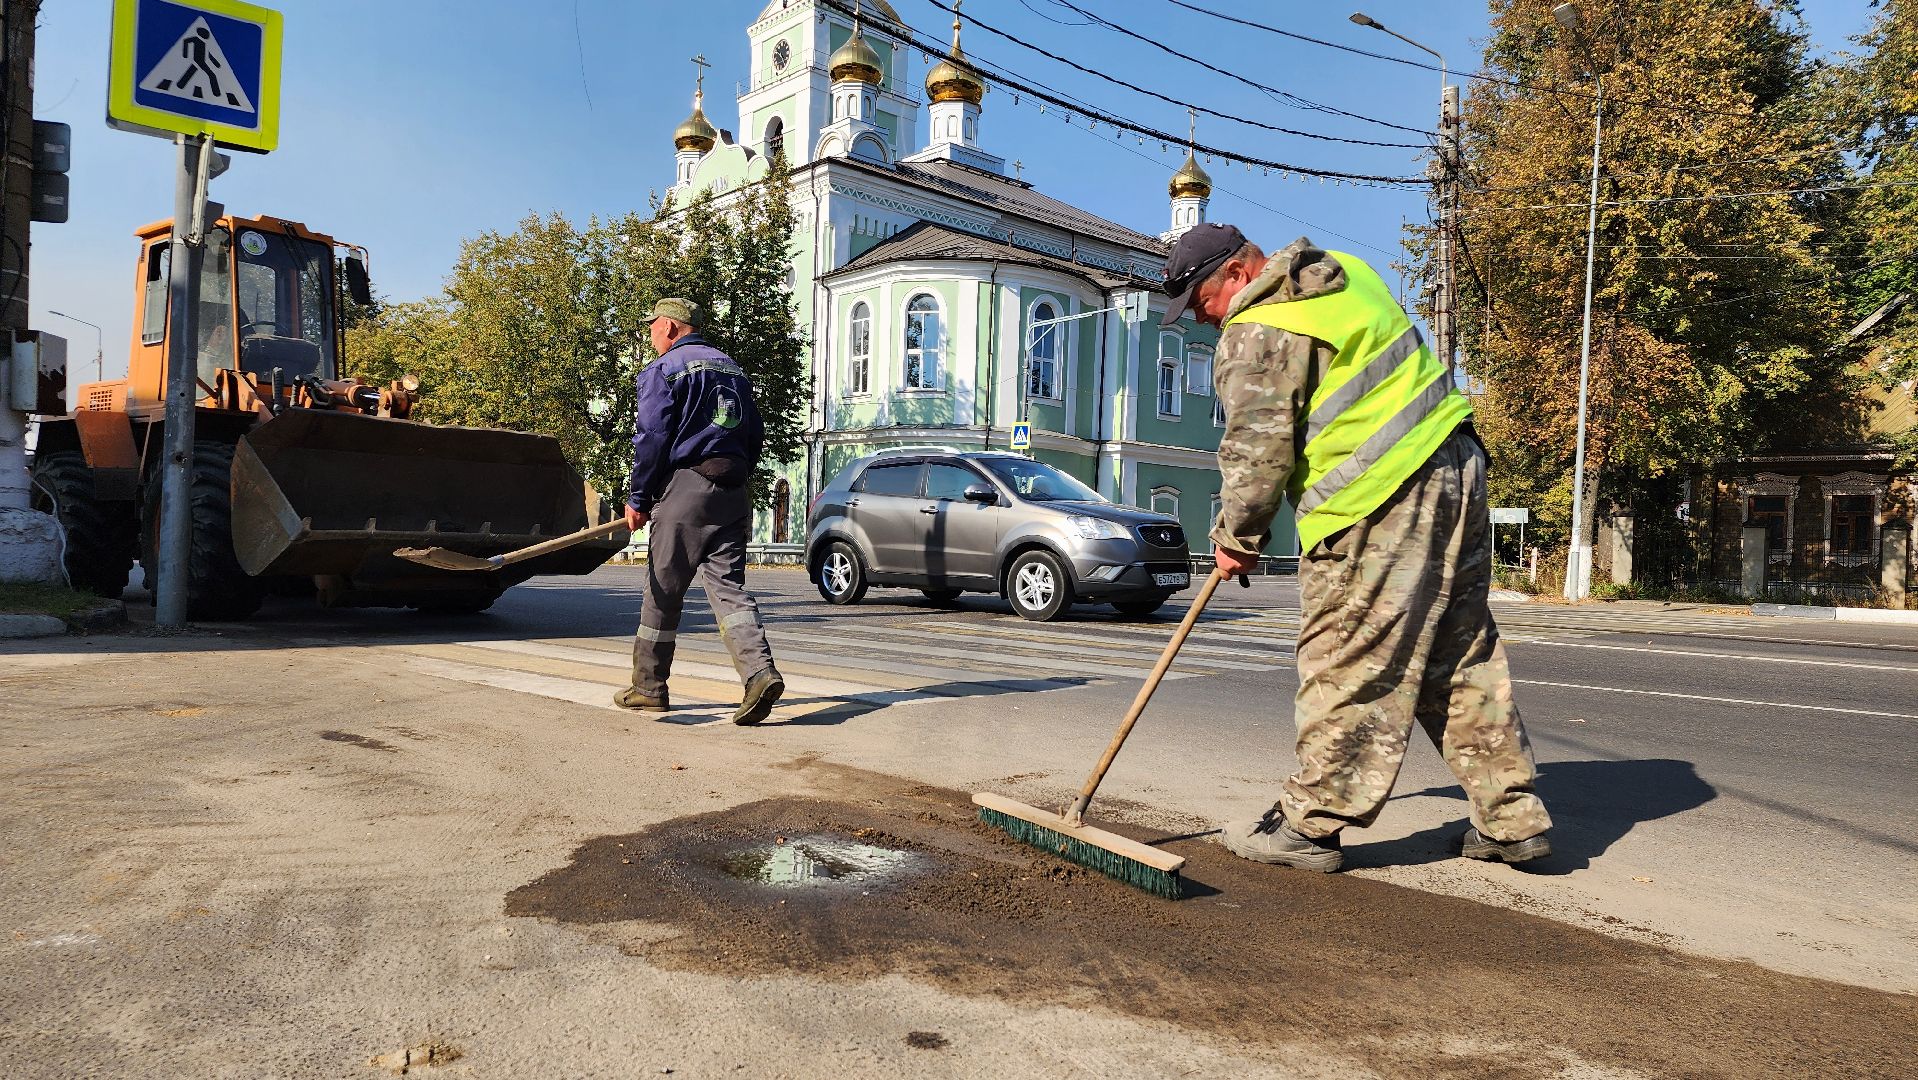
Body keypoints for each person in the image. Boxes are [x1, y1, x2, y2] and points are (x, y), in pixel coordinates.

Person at [1160, 223, 1553, 872]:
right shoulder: (1345, 273)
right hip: (1456, 467)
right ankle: (1510, 819)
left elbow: (1257, 450)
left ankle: (1309, 825)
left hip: (1376, 498)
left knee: (1345, 656)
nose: (1203, 321)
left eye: (1200, 302)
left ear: (1236, 275)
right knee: (1457, 655)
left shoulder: (1258, 326)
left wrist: (1237, 538)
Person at [614, 298, 785, 726]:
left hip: (686, 489)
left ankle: (648, 688)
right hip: (731, 490)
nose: (651, 335)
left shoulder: (664, 370)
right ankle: (759, 673)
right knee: (730, 592)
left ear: (670, 327)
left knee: (662, 591)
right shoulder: (734, 370)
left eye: (652, 327)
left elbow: (652, 437)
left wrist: (639, 498)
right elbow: (755, 434)